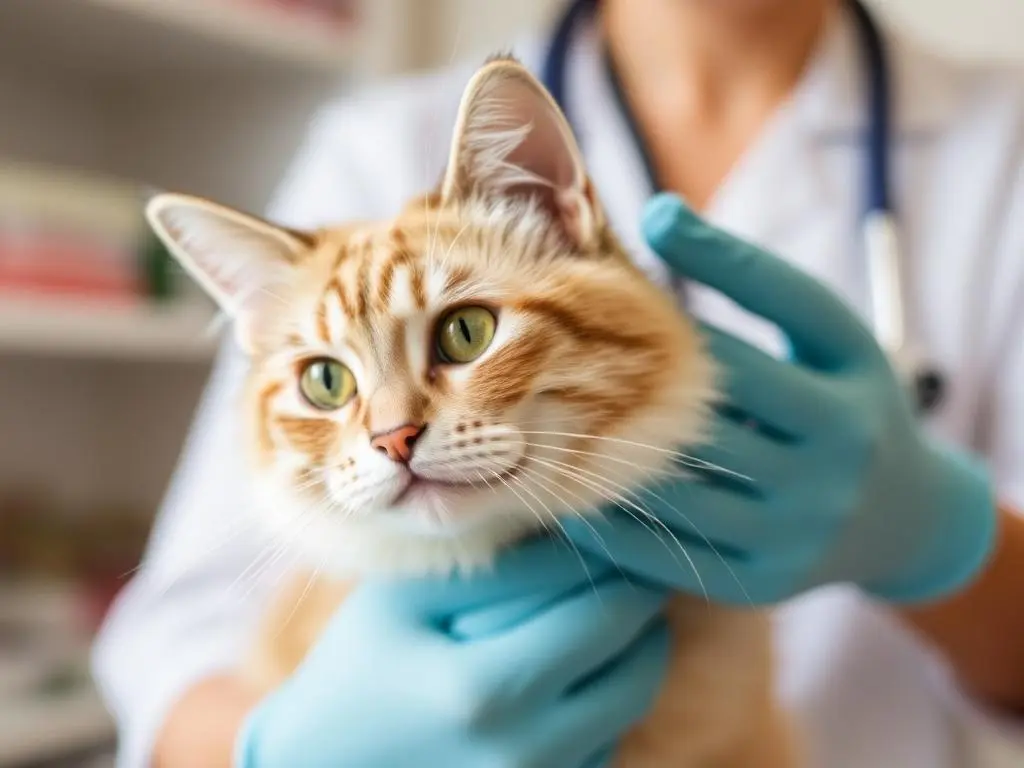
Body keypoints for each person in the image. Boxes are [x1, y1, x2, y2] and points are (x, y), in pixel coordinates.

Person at [92, 0, 1024, 765]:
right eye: (332, 381)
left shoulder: (1001, 137)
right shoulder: (373, 138)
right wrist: (283, 749)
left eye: (459, 333)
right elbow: (169, 646)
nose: (393, 431)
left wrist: (942, 540)